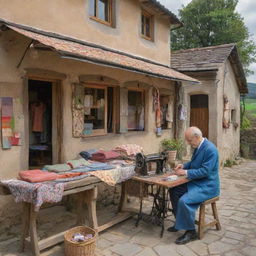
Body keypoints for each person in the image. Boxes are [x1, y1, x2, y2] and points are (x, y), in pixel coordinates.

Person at [168, 126, 220, 245]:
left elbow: (205, 171)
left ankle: (191, 232)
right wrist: (184, 166)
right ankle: (179, 222)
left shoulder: (210, 149)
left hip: (208, 186)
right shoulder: (199, 146)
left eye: (190, 140)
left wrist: (185, 172)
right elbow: (194, 163)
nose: (188, 143)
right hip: (198, 182)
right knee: (174, 190)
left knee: (184, 201)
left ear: (197, 137)